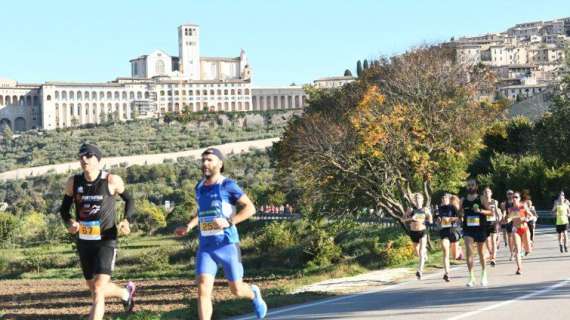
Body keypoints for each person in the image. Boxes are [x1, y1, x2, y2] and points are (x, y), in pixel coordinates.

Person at [175, 147, 267, 320]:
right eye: (203, 160)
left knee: (237, 290)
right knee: (202, 288)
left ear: (220, 163)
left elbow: (250, 208)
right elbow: (202, 212)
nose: (205, 164)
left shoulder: (228, 185)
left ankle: (254, 293)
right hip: (206, 247)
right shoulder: (199, 187)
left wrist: (230, 221)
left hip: (227, 244)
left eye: (209, 160)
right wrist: (188, 226)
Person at [59, 143, 136, 320]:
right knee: (94, 288)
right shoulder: (74, 182)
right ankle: (125, 293)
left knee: (99, 290)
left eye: (88, 156)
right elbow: (64, 210)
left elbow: (130, 201)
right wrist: (69, 221)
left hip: (106, 240)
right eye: (81, 156)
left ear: (98, 159)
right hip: (84, 240)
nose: (84, 159)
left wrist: (126, 220)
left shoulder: (111, 180)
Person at [460, 178, 492, 287]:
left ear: (476, 187)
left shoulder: (481, 198)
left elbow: (490, 212)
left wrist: (480, 211)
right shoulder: (463, 200)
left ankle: (484, 274)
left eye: (472, 185)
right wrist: (459, 212)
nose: (470, 187)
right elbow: (460, 213)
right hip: (468, 229)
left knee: (481, 253)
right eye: (468, 185)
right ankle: (471, 277)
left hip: (480, 228)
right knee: (469, 251)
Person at [405, 192, 433, 280]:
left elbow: (431, 219)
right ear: (414, 200)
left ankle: (419, 271)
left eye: (419, 199)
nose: (417, 201)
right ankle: (425, 253)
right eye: (416, 199)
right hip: (413, 233)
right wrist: (411, 219)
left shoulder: (425, 209)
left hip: (422, 232)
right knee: (417, 253)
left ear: (422, 200)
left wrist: (428, 222)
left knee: (420, 252)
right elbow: (402, 219)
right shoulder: (410, 210)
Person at [436, 193, 461, 282]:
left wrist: (450, 219)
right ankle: (447, 273)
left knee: (455, 256)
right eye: (442, 198)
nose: (444, 199)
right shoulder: (439, 208)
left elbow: (459, 217)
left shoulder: (453, 207)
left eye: (445, 198)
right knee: (445, 251)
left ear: (449, 199)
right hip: (444, 232)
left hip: (453, 231)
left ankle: (459, 250)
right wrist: (438, 221)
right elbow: (437, 220)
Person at [507, 192, 533, 275]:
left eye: (516, 197)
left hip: (524, 229)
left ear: (519, 198)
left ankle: (529, 245)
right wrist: (507, 220)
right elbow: (510, 218)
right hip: (515, 230)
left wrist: (527, 219)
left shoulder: (523, 206)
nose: (514, 198)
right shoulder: (510, 209)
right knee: (517, 251)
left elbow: (531, 215)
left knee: (528, 250)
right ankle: (519, 268)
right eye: (513, 197)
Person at [481, 187, 502, 267]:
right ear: (483, 194)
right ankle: (491, 253)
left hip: (493, 223)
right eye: (485, 192)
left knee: (493, 240)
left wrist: (499, 218)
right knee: (487, 241)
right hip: (485, 224)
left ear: (491, 193)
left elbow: (497, 211)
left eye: (488, 192)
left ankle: (493, 258)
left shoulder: (494, 201)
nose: (487, 194)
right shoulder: (482, 202)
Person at [500, 190, 516, 261]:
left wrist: (510, 218)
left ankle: (517, 250)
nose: (510, 195)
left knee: (516, 236)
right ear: (506, 195)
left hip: (515, 220)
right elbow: (503, 211)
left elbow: (515, 213)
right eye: (508, 194)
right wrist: (503, 217)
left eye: (511, 194)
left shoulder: (515, 202)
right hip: (508, 221)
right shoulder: (504, 204)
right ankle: (512, 253)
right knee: (509, 237)